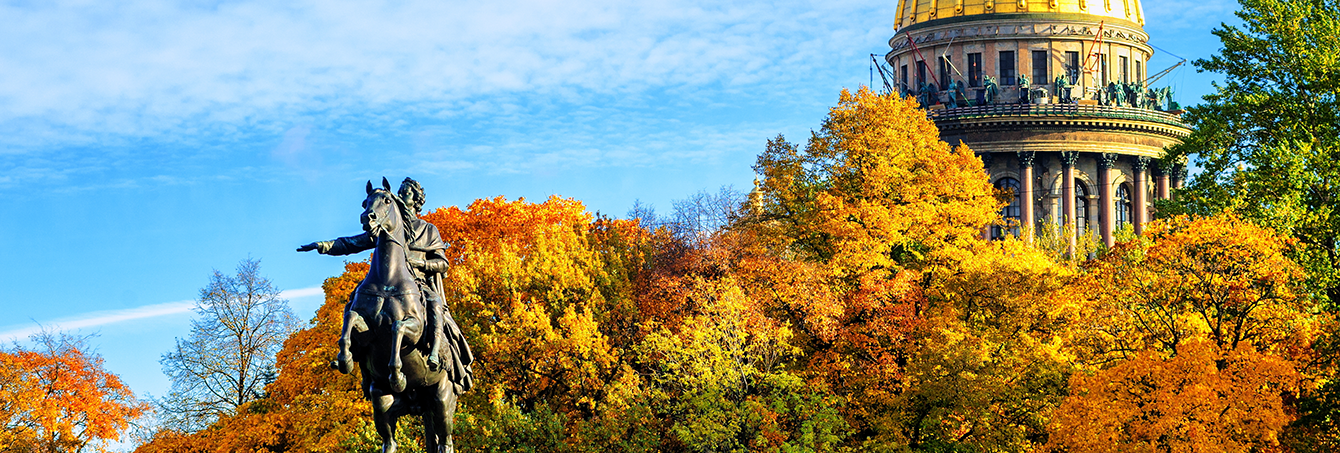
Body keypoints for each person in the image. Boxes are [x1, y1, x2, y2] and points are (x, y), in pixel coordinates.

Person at [298, 178, 474, 391]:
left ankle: (436, 352)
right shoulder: (384, 226)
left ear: (417, 201)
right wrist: (323, 245)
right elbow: (352, 243)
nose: (402, 195)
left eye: (407, 193)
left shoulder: (427, 229)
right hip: (385, 286)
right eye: (400, 191)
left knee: (434, 302)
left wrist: (419, 262)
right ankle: (351, 352)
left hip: (417, 283)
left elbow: (442, 264)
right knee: (354, 299)